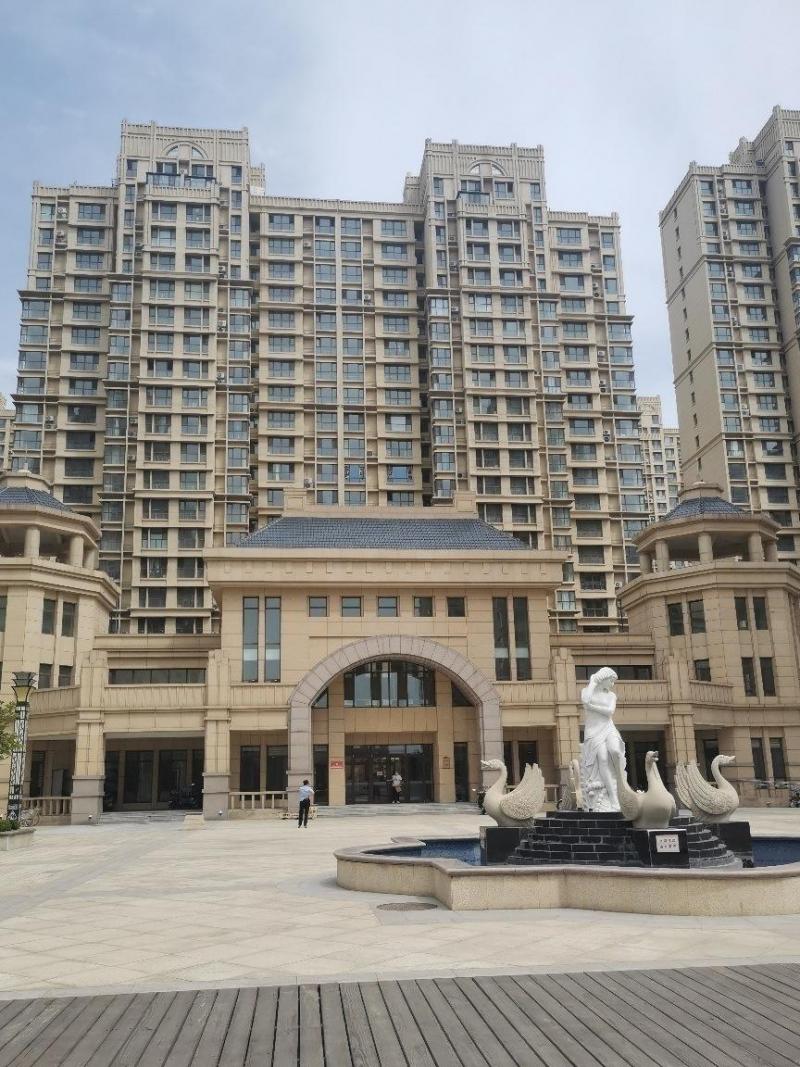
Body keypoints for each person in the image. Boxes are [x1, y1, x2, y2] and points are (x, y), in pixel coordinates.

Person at [579, 667, 626, 811]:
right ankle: (613, 797)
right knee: (603, 759)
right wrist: (593, 682)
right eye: (611, 680)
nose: (612, 684)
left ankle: (621, 784)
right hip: (593, 731)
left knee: (615, 751)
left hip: (608, 728)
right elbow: (585, 700)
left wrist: (591, 707)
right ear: (603, 679)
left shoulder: (611, 695)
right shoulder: (586, 691)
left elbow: (610, 712)